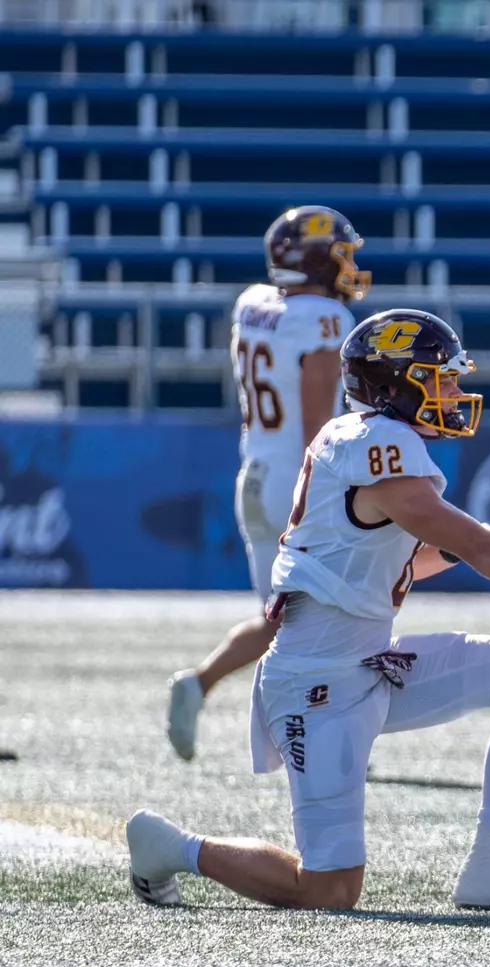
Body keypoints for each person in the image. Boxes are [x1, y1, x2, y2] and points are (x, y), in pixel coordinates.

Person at [127, 309, 490, 912]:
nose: (455, 392)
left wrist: (461, 548)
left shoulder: (360, 437)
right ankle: (173, 847)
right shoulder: (380, 444)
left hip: (373, 661)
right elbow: (482, 549)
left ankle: (489, 869)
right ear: (395, 386)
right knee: (328, 892)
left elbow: (394, 561)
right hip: (315, 683)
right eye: (441, 378)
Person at [165, 206, 369, 762]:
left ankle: (201, 685)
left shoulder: (252, 304)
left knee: (283, 620)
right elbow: (316, 422)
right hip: (297, 481)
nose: (349, 265)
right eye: (341, 254)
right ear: (316, 260)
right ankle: (323, 734)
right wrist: (327, 490)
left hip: (253, 478)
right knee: (339, 617)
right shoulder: (323, 318)